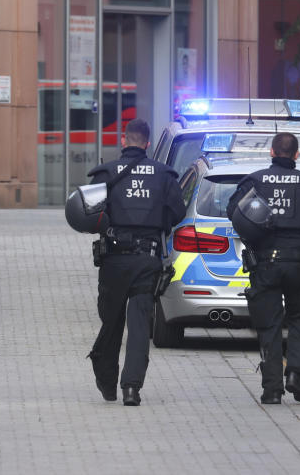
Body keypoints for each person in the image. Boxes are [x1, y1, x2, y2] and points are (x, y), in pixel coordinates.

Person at [226, 133, 300, 404]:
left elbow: (232, 211)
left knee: (269, 325)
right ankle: (296, 373)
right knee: (298, 318)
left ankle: (272, 389)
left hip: (265, 262)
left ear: (272, 152)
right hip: (298, 263)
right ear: (296, 155)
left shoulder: (255, 181)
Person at [86, 118, 186, 406]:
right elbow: (177, 212)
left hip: (114, 259)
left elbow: (90, 211)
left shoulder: (107, 172)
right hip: (147, 258)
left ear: (123, 140)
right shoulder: (164, 174)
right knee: (140, 323)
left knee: (111, 321)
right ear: (148, 143)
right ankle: (131, 388)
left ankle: (107, 382)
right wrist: (158, 225)